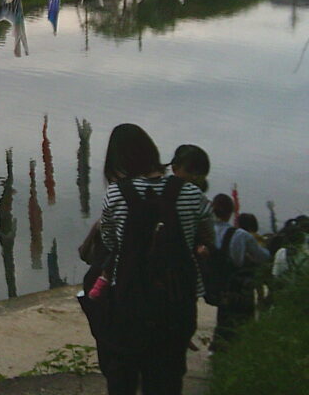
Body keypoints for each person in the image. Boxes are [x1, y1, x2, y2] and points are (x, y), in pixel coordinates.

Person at [93, 124, 213, 395]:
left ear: (118, 160)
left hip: (130, 302)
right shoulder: (193, 194)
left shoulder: (116, 193)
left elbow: (110, 243)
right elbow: (207, 237)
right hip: (177, 302)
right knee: (167, 377)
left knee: (123, 376)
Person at [210, 194, 271, 346]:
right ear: (231, 212)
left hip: (213, 283)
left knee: (222, 319)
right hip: (237, 286)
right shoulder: (241, 235)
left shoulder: (206, 231)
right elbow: (263, 257)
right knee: (241, 324)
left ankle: (218, 346)